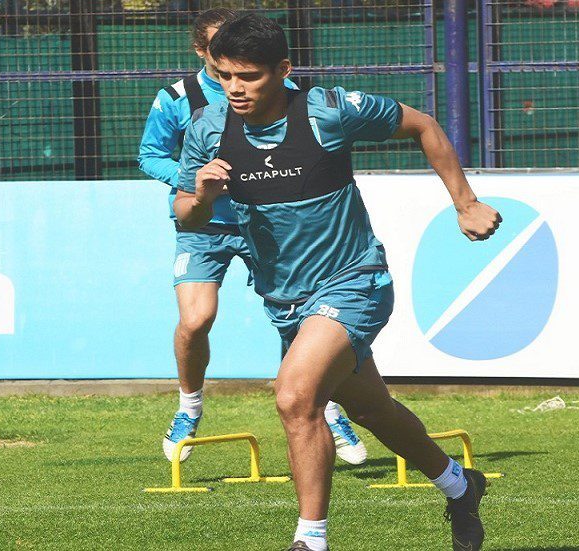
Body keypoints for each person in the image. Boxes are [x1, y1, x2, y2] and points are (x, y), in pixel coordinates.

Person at [173, 14, 502, 551]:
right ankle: (460, 485)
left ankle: (311, 539)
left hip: (354, 282)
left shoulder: (330, 110)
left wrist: (465, 204)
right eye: (225, 74)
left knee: (295, 397)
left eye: (249, 76)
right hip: (286, 300)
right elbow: (186, 215)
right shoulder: (209, 127)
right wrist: (203, 196)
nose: (235, 87)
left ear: (283, 70)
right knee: (371, 410)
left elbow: (423, 125)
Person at [137, 8, 367, 466]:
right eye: (221, 56)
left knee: (304, 319)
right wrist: (195, 179)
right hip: (205, 224)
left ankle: (328, 406)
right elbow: (149, 155)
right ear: (203, 51)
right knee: (197, 319)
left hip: (268, 220)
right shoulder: (178, 98)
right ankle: (189, 405)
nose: (235, 74)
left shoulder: (280, 93)